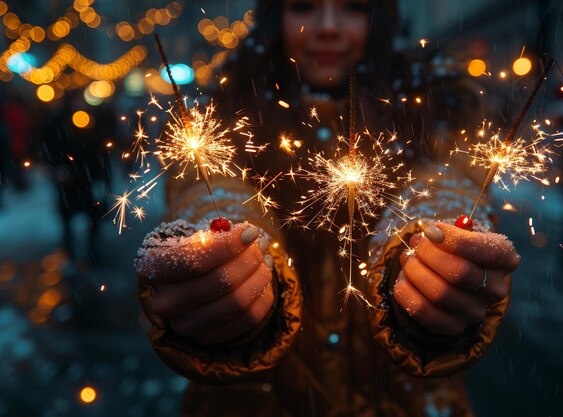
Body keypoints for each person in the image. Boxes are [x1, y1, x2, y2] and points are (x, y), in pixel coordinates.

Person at [136, 1, 520, 416]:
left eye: (352, 8)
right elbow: (210, 190)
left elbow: (444, 180)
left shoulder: (434, 109)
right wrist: (224, 250)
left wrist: (432, 235)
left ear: (379, 18)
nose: (328, 28)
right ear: (274, 18)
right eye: (304, 7)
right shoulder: (224, 113)